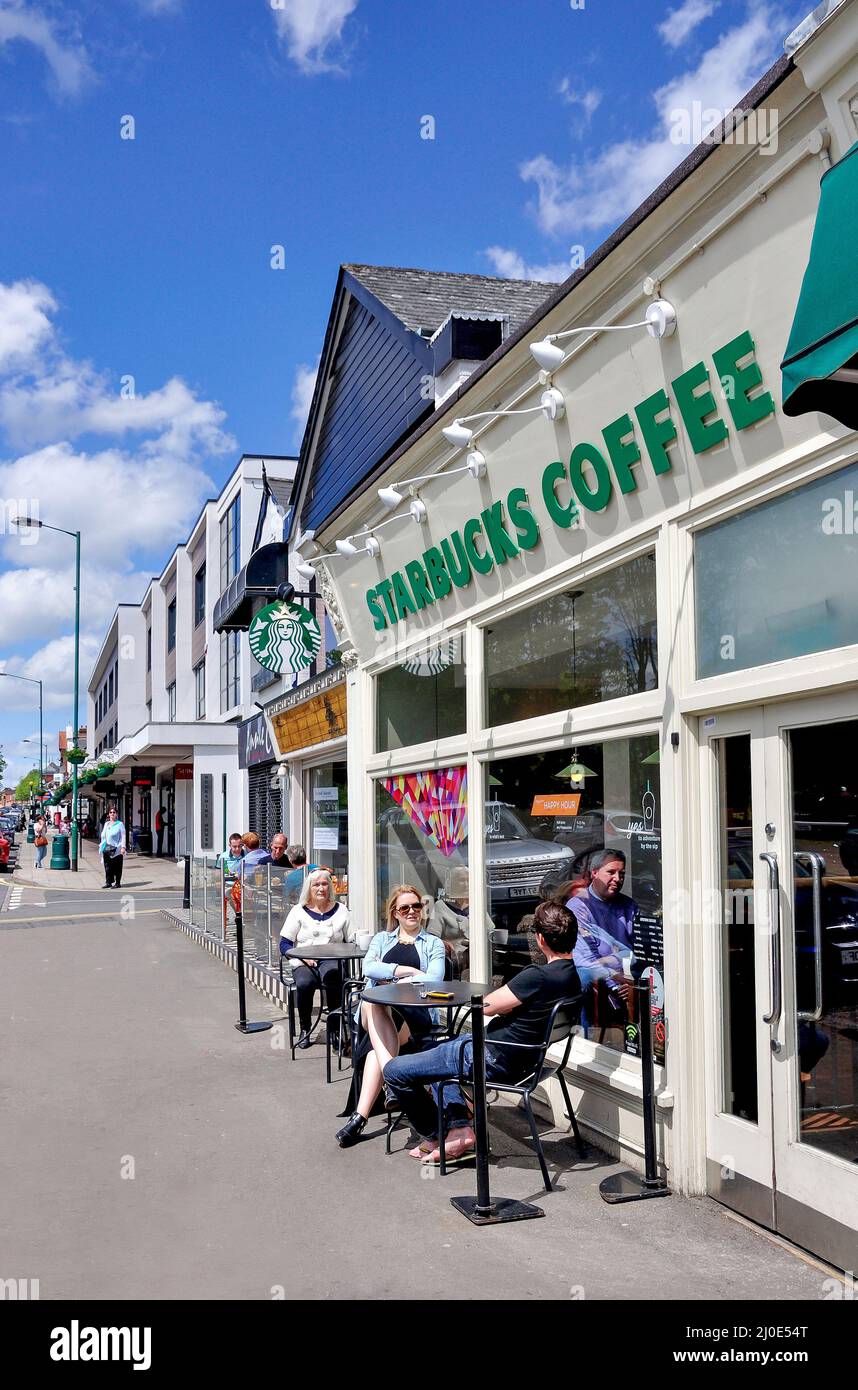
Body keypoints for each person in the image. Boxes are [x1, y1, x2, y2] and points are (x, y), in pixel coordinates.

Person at [383, 900, 581, 1165]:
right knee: (438, 1050)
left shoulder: (537, 975)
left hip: (491, 1057)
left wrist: (507, 1008)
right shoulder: (572, 976)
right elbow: (527, 1009)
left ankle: (436, 1134)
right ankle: (459, 1128)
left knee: (395, 1071)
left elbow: (487, 1006)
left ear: (540, 938)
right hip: (526, 1061)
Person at [335, 885, 446, 1148]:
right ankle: (394, 1081)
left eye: (416, 907)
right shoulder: (382, 939)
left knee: (377, 1051)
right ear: (395, 913)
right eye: (404, 908)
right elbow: (369, 967)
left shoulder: (433, 943)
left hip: (414, 1017)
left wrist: (391, 978)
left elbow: (436, 978)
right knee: (376, 1002)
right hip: (375, 1012)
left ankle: (359, 1117)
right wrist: (405, 971)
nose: (411, 912)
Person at [280, 870, 352, 1049]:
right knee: (304, 983)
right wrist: (301, 957)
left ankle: (335, 1030)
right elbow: (284, 945)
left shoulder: (342, 910)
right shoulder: (298, 911)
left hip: (332, 958)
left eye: (325, 884)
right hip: (304, 961)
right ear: (309, 888)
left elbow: (352, 940)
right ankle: (305, 1029)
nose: (321, 888)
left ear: (330, 887)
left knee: (334, 977)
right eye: (316, 885)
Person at [217, 833, 245, 933]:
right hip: (229, 884)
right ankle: (239, 914)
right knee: (230, 893)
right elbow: (218, 874)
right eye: (234, 846)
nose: (237, 849)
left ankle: (242, 916)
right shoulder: (223, 857)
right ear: (230, 845)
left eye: (240, 846)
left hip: (243, 884)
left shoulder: (246, 856)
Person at [99, 806, 126, 888]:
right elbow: (103, 835)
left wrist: (123, 847)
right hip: (107, 848)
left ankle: (117, 883)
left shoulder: (120, 824)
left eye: (114, 812)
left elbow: (123, 836)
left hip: (117, 848)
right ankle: (108, 882)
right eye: (110, 812)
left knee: (117, 866)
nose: (112, 814)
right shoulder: (106, 824)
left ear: (116, 814)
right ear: (108, 814)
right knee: (107, 866)